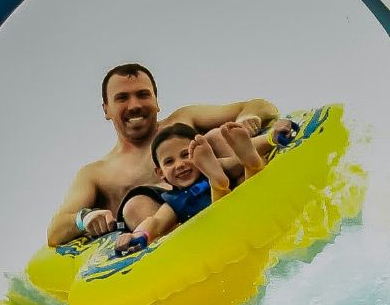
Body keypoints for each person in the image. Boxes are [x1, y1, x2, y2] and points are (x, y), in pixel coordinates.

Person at [45, 63, 296, 247]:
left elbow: (260, 106)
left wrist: (246, 120)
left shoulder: (183, 120)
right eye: (122, 98)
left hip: (234, 198)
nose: (134, 105)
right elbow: (55, 232)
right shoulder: (97, 174)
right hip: (178, 240)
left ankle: (253, 164)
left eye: (143, 94)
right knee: (136, 205)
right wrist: (85, 218)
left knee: (215, 137)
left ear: (156, 101)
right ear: (106, 109)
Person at [112, 120, 283, 255]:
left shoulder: (177, 201)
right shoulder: (174, 202)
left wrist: (272, 136)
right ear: (160, 173)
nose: (179, 164)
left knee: (244, 168)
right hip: (222, 229)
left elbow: (155, 223)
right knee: (237, 178)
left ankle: (248, 167)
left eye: (186, 155)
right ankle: (235, 175)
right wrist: (138, 234)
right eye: (169, 162)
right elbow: (154, 222)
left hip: (242, 215)